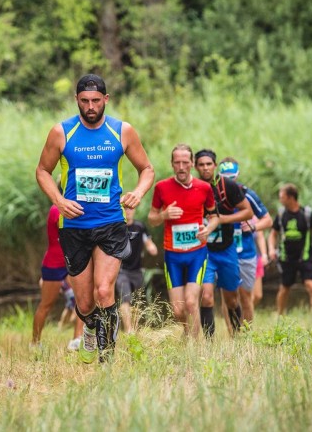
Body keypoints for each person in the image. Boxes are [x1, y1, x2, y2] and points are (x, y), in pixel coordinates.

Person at [36, 74, 155, 363]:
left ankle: (107, 358)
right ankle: (89, 328)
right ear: (76, 100)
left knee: (104, 291)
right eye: (85, 101)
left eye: (96, 101)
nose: (90, 106)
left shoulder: (122, 131)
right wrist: (59, 200)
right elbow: (42, 171)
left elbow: (147, 169)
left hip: (110, 222)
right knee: (86, 302)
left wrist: (138, 193)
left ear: (106, 100)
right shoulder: (61, 132)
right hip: (74, 226)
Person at [148, 144, 219, 339]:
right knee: (178, 310)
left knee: (191, 302)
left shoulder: (204, 188)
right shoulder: (162, 187)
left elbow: (214, 217)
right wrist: (164, 214)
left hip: (197, 252)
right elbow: (151, 218)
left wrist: (208, 229)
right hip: (173, 255)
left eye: (185, 163)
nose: (181, 167)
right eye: (177, 162)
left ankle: (194, 348)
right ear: (172, 164)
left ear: (192, 165)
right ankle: (189, 334)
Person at [194, 149, 253, 338]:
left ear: (215, 165)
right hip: (205, 251)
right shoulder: (192, 187)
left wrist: (221, 220)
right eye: (201, 165)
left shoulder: (227, 187)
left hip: (227, 249)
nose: (205, 168)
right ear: (195, 167)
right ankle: (209, 344)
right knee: (207, 296)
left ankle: (238, 338)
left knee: (232, 300)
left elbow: (248, 212)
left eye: (208, 164)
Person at [217, 157, 273, 326]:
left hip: (246, 253)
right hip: (223, 252)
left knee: (246, 297)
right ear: (218, 176)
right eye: (224, 177)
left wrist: (253, 227)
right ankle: (233, 338)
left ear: (238, 175)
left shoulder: (248, 194)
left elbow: (268, 221)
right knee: (227, 298)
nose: (228, 181)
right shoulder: (213, 195)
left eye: (232, 177)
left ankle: (246, 338)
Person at [267, 183, 312, 315]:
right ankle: (279, 316)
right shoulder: (281, 215)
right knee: (285, 287)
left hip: (306, 257)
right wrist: (271, 250)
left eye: (282, 197)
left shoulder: (306, 214)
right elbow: (273, 234)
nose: (280, 199)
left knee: (311, 285)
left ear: (291, 197)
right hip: (286, 258)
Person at [32, 204, 83, 350]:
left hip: (74, 261)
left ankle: (77, 339)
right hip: (55, 263)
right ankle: (35, 342)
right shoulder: (57, 208)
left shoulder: (80, 206)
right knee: (46, 304)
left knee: (82, 301)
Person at [115, 205, 158, 333]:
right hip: (121, 270)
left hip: (137, 270)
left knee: (137, 300)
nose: (128, 211)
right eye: (125, 208)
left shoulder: (140, 226)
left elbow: (148, 242)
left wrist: (152, 248)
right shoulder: (117, 227)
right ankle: (129, 330)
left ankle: (133, 327)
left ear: (134, 210)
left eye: (130, 208)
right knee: (125, 298)